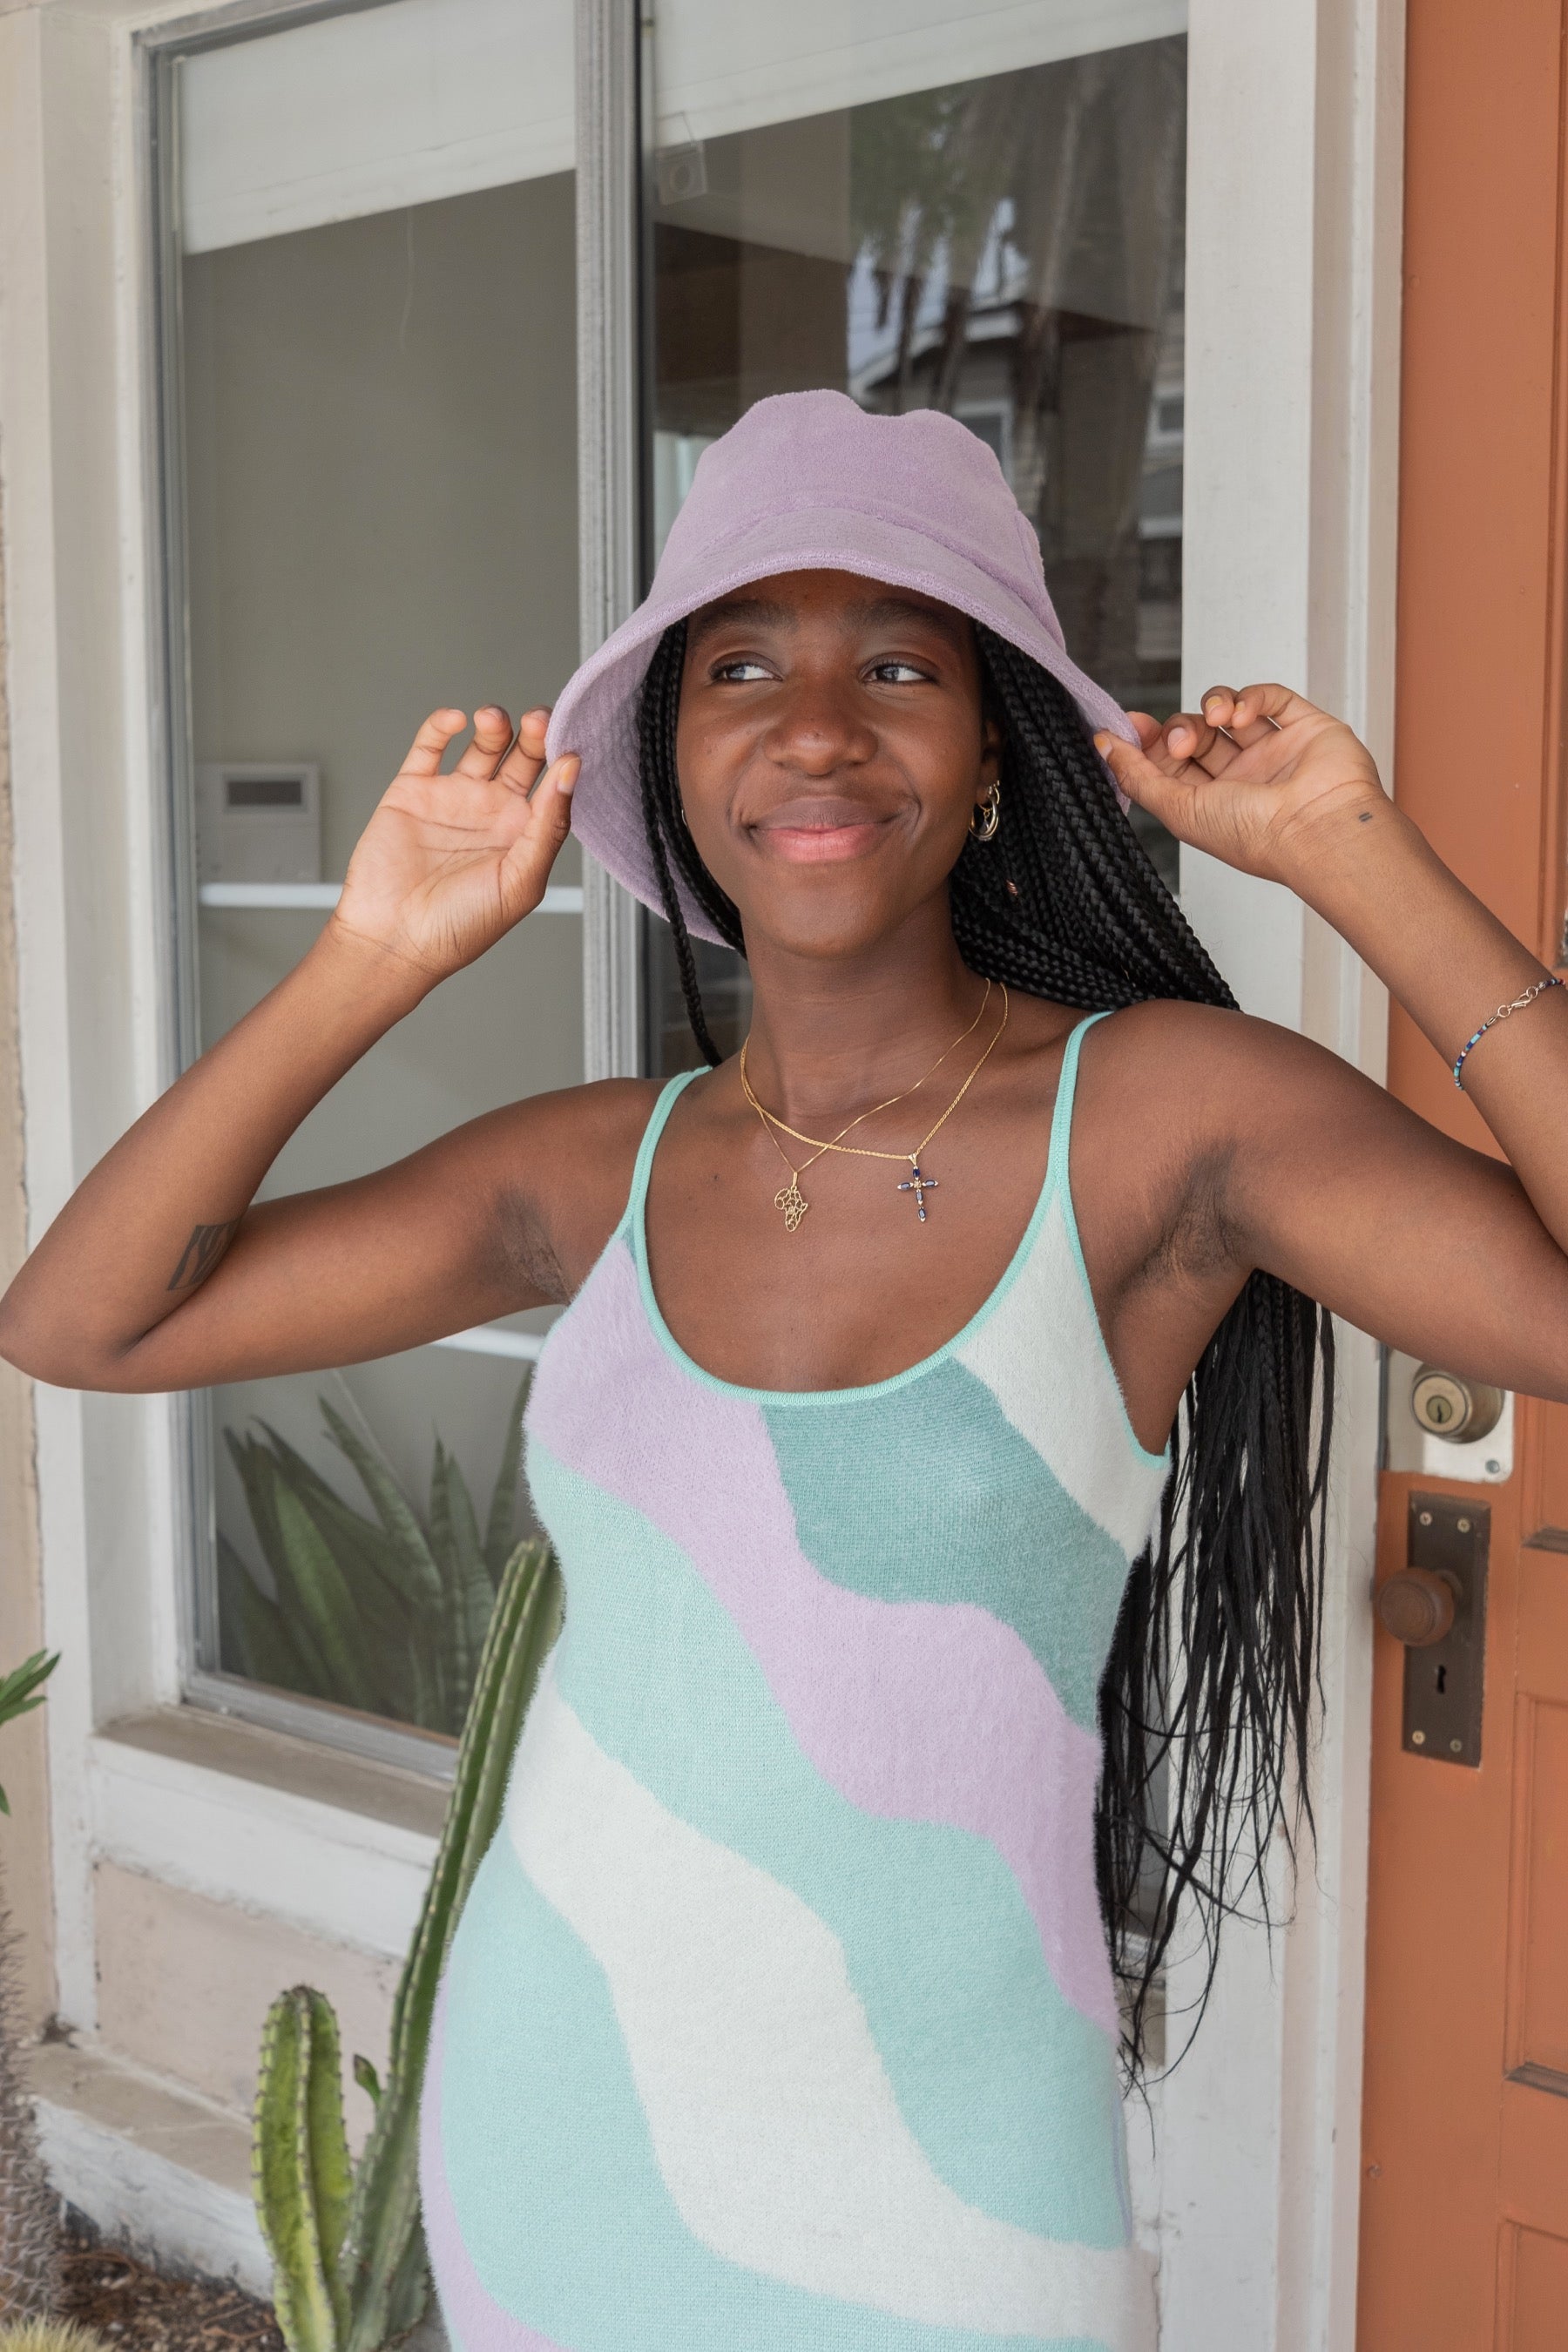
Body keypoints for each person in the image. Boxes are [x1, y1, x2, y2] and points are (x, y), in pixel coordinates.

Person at [4, 389, 1567, 2351]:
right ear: (670, 762)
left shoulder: (1166, 1122)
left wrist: (1357, 858)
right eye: (741, 667)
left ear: (990, 754)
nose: (817, 725)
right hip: (562, 2127)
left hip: (966, 2192)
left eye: (898, 664)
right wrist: (374, 955)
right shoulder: (590, 1170)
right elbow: (84, 1320)